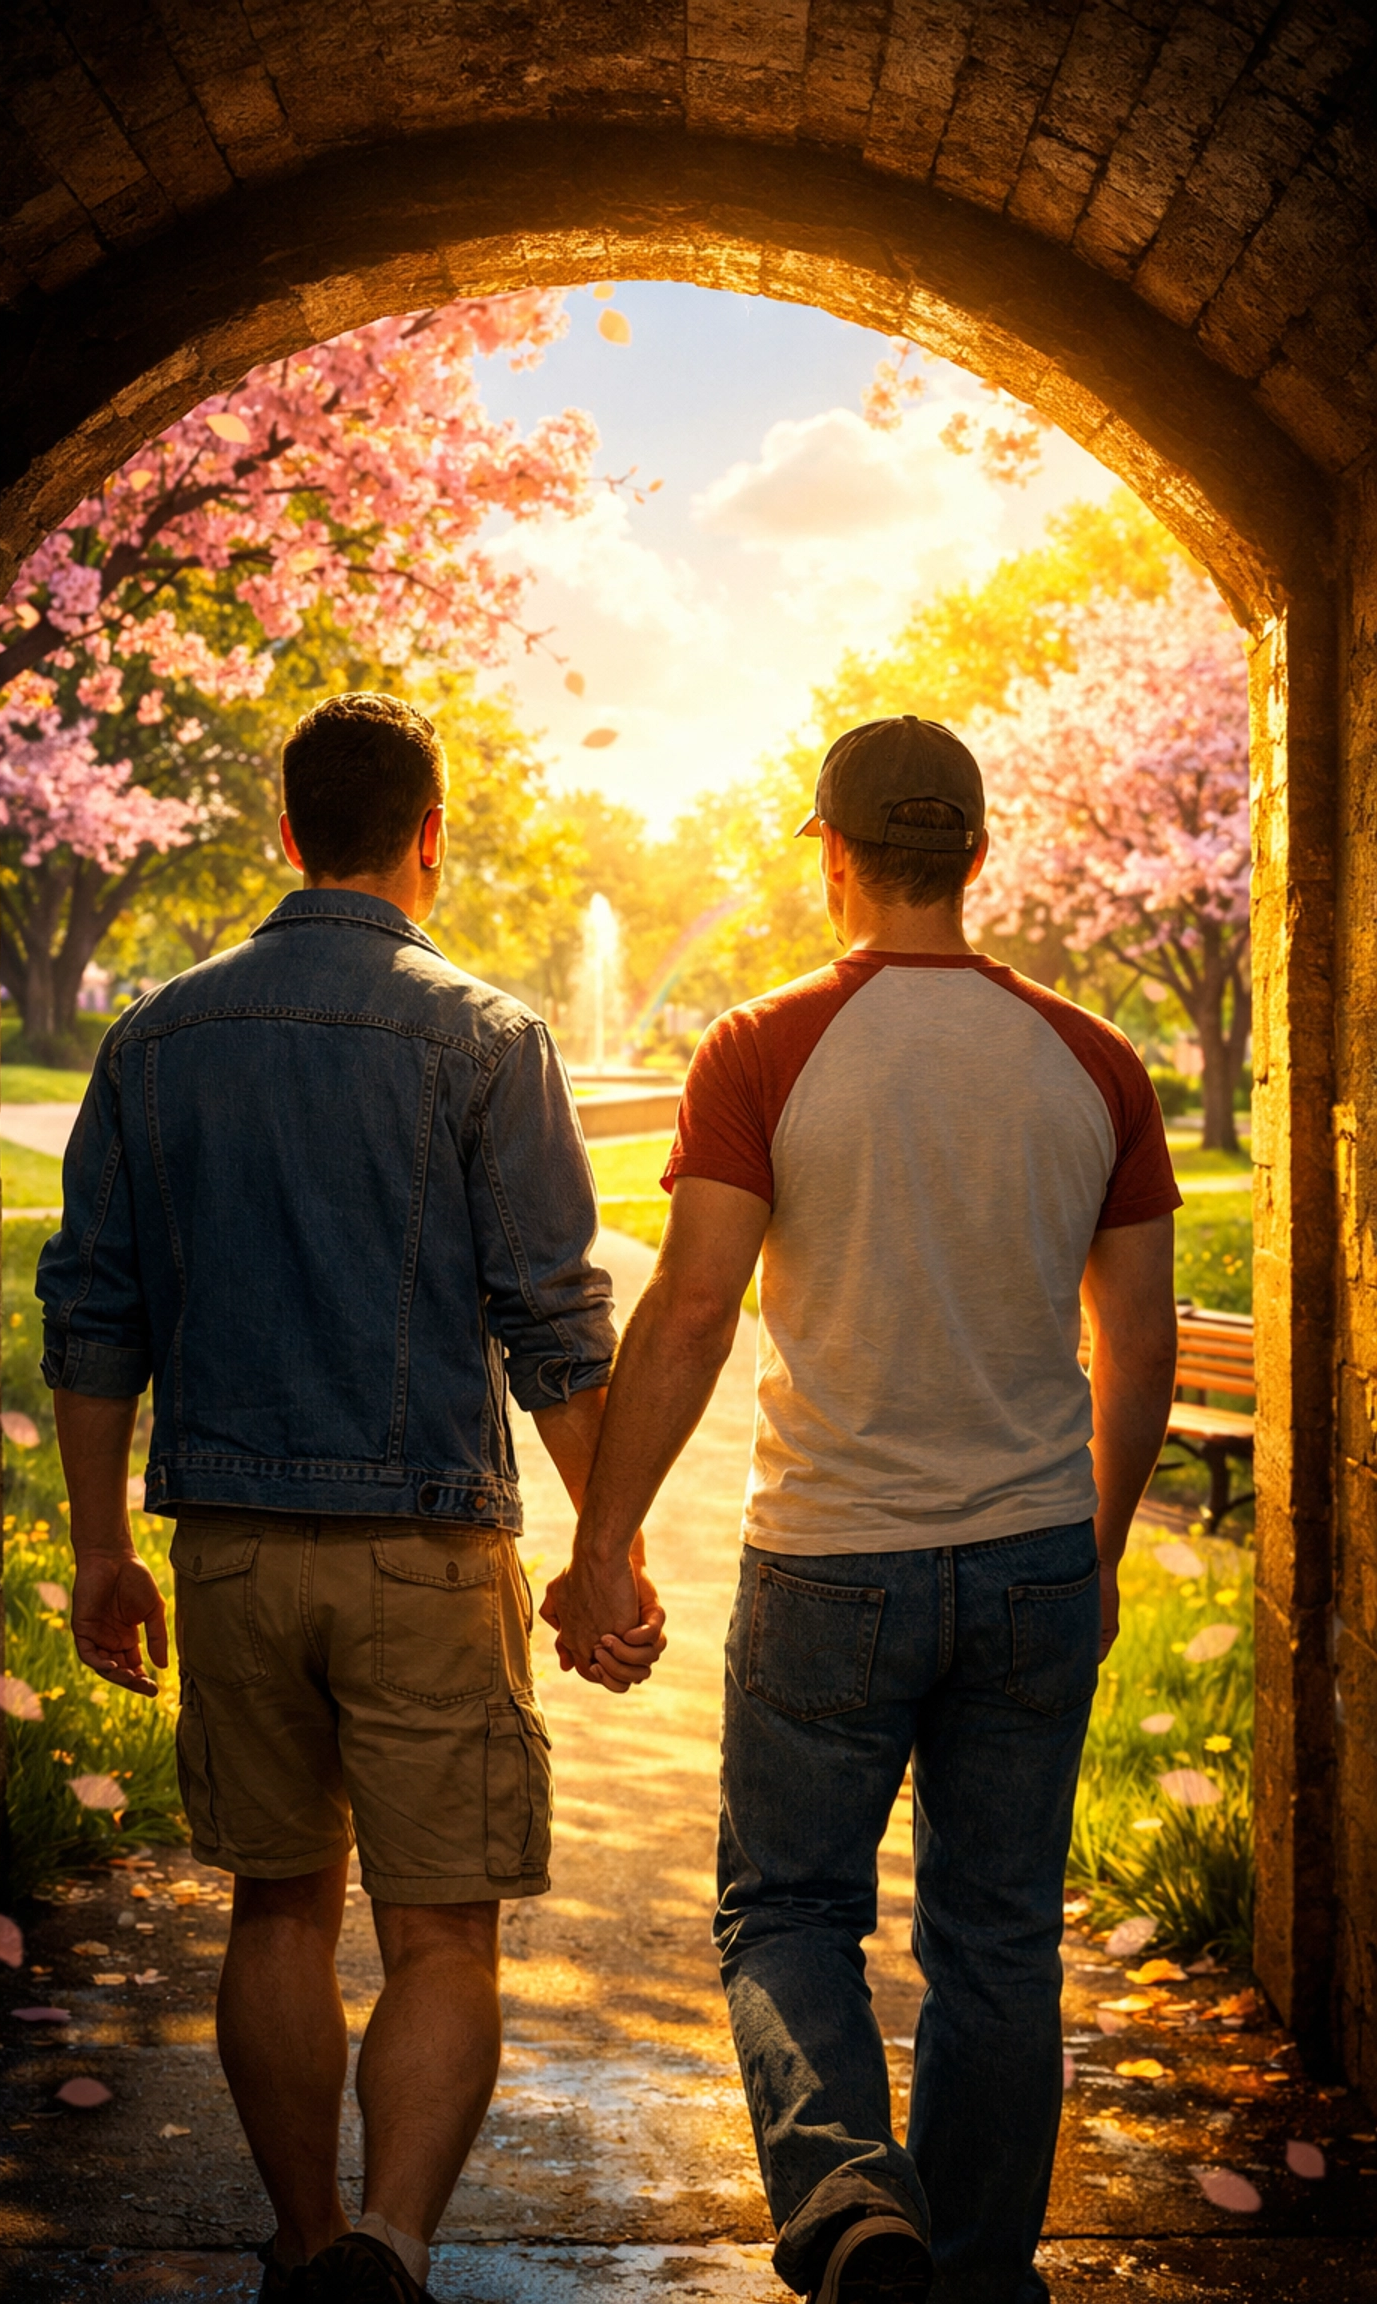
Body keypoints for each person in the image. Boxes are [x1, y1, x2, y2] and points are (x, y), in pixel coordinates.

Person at [37, 693, 665, 2304]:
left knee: (277, 1912)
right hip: (425, 1555)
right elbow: (551, 1323)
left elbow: (93, 1312)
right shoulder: (490, 1036)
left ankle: (306, 2237)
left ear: (288, 832)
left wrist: (102, 1549)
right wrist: (604, 1554)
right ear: (431, 835)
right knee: (443, 1930)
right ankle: (388, 2245)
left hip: (233, 1555)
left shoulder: (153, 1038)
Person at [546, 716, 1181, 2304]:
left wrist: (604, 1544)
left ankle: (847, 2205)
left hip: (831, 1562)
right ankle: (970, 2275)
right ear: (978, 854)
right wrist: (1099, 1545)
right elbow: (1142, 1335)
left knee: (787, 1913)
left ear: (829, 856)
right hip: (1032, 1556)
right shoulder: (1095, 1059)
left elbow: (693, 1308)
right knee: (999, 1937)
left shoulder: (761, 1045)